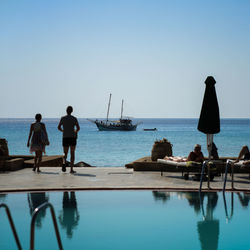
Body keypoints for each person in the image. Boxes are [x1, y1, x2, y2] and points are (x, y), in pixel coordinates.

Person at [58, 106, 80, 173]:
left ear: (66, 111)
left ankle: (64, 163)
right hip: (72, 137)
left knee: (65, 153)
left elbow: (58, 127)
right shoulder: (74, 118)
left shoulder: (63, 118)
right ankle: (71, 169)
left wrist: (63, 131)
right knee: (72, 153)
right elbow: (78, 128)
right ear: (72, 111)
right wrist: (75, 132)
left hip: (65, 137)